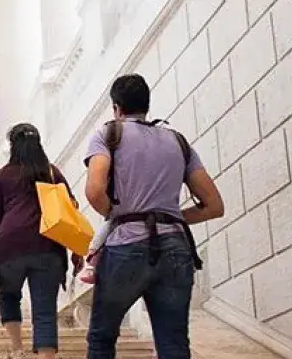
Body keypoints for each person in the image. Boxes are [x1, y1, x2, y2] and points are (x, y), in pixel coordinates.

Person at [84, 74, 224, 359]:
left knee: (101, 338)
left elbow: (94, 191)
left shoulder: (108, 134)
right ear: (146, 105)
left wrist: (118, 215)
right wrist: (171, 218)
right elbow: (214, 205)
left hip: (126, 246)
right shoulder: (177, 141)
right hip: (175, 248)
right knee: (173, 342)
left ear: (116, 107)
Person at [0, 123, 81, 359]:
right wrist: (78, 250)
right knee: (45, 309)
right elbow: (71, 210)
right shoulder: (51, 172)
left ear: (13, 146)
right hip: (48, 248)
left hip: (9, 249)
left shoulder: (3, 175)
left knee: (9, 296)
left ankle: (17, 350)